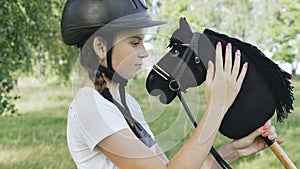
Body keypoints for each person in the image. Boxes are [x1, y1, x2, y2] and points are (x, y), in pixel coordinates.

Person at [61, 0, 285, 168]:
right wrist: (218, 105)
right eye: (134, 43)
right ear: (100, 48)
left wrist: (235, 151)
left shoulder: (124, 103)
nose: (144, 52)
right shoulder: (89, 107)